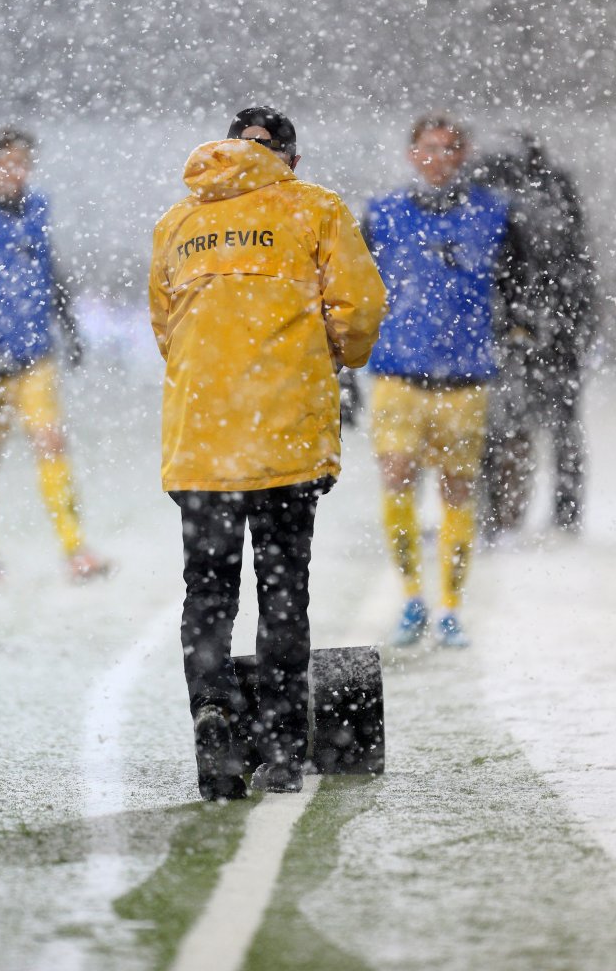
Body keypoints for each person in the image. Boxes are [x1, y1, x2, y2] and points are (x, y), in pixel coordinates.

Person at [149, 106, 386, 800]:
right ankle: (283, 744)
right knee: (284, 589)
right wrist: (330, 357)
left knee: (208, 591)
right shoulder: (314, 209)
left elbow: (167, 327)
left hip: (202, 442)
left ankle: (215, 712)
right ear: (291, 158)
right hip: (284, 438)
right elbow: (360, 309)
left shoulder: (177, 224)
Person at [362, 114, 531, 648]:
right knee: (397, 476)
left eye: (450, 149)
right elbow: (355, 287)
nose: (439, 159)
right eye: (429, 149)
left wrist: (518, 333)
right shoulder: (383, 214)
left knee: (457, 491)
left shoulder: (494, 215)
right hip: (398, 373)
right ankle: (412, 597)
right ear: (412, 154)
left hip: (464, 376)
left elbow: (520, 286)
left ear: (465, 155)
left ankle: (452, 606)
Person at [0, 126, 111, 583]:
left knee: (50, 441)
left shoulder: (37, 209)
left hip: (33, 354)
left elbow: (49, 269)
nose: (18, 172)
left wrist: (68, 327)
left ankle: (75, 549)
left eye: (24, 164)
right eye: (9, 162)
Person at [480, 135, 595, 534]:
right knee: (559, 426)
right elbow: (580, 274)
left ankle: (498, 514)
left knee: (505, 424)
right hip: (554, 329)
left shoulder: (499, 199)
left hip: (529, 328)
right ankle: (563, 514)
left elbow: (504, 273)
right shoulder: (557, 198)